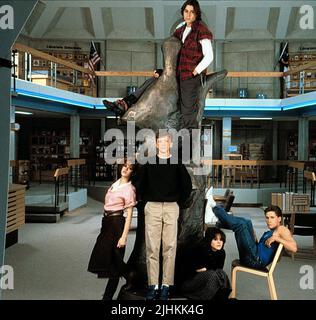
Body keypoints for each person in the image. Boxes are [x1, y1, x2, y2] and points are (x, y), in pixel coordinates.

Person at [136, 132, 192, 300]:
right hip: (152, 207)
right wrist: (146, 200)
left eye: (165, 142)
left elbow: (187, 187)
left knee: (169, 247)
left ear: (171, 144)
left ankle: (166, 285)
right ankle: (153, 286)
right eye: (159, 141)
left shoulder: (177, 163)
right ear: (156, 144)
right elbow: (140, 184)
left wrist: (177, 203)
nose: (162, 144)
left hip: (171, 207)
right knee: (152, 248)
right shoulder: (149, 162)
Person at [87, 160, 137, 300]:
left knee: (115, 263)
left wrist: (124, 236)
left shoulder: (129, 189)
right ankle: (130, 274)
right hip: (107, 223)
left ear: (132, 172)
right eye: (125, 166)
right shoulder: (115, 184)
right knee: (104, 256)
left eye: (130, 168)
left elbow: (129, 215)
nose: (126, 169)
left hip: (117, 223)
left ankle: (107, 297)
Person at [208, 193, 297, 270]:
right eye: (267, 217)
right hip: (253, 255)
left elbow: (294, 248)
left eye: (272, 218)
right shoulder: (271, 231)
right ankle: (216, 221)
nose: (269, 220)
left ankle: (215, 207)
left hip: (255, 261)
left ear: (279, 219)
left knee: (241, 225)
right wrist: (251, 236)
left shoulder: (282, 229)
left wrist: (276, 238)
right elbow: (261, 248)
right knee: (247, 222)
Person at [173, 0, 214, 130]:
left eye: (192, 12)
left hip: (190, 77)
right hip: (177, 74)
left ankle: (189, 143)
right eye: (186, 11)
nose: (188, 15)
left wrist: (195, 71)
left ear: (196, 14)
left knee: (187, 112)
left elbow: (209, 56)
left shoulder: (202, 30)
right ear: (183, 13)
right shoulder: (179, 31)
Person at [180, 227, 231, 300]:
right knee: (212, 274)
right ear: (209, 240)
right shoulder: (200, 250)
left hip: (208, 282)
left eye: (221, 240)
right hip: (189, 283)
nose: (219, 242)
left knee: (221, 273)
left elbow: (218, 269)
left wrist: (206, 269)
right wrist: (199, 270)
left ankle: (223, 297)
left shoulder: (221, 253)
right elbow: (187, 271)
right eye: (215, 239)